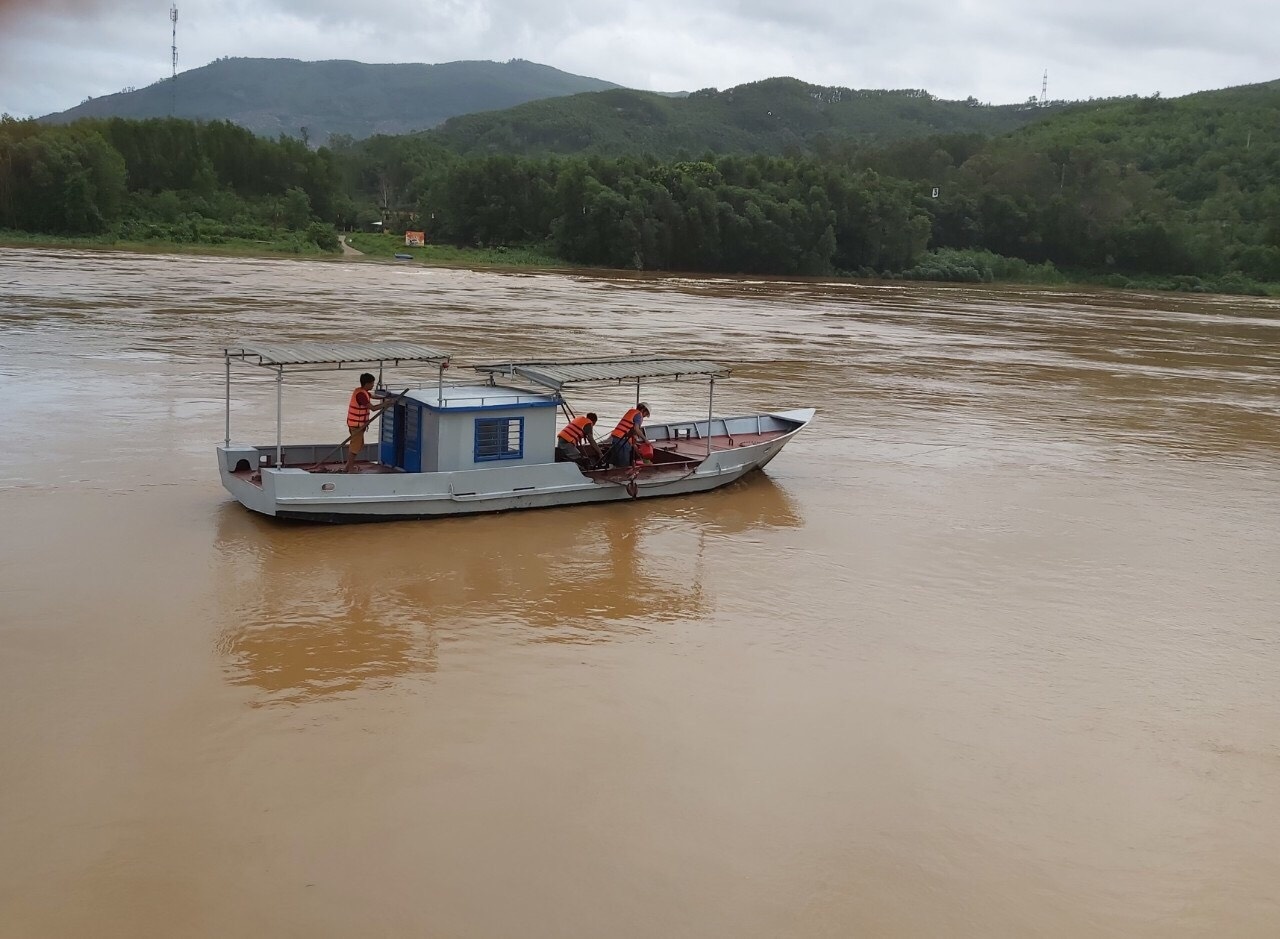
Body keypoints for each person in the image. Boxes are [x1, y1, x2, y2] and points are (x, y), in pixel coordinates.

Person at [345, 373, 395, 473]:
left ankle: (347, 467)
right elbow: (373, 408)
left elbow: (373, 397)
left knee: (358, 445)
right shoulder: (360, 395)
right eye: (372, 384)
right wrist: (387, 403)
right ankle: (350, 469)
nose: (373, 386)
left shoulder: (363, 392)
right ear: (366, 384)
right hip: (356, 426)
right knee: (355, 447)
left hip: (357, 424)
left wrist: (385, 397)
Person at [608, 402, 650, 467]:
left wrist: (634, 445)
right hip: (622, 440)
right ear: (643, 410)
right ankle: (623, 475)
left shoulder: (631, 412)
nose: (644, 416)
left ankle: (613, 471)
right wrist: (645, 440)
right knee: (624, 464)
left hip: (615, 437)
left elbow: (632, 431)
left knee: (616, 461)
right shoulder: (638, 415)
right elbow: (636, 429)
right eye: (646, 414)